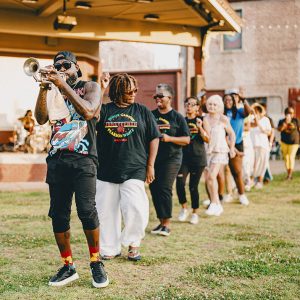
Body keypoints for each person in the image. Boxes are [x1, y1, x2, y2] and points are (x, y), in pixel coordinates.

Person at [34, 51, 108, 288]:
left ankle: (96, 262)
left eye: (66, 65)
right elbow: (40, 119)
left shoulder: (90, 86)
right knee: (58, 215)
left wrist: (61, 83)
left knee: (87, 210)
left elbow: (88, 111)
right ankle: (68, 266)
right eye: (57, 65)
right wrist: (44, 88)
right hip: (57, 159)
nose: (61, 68)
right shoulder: (53, 89)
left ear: (77, 68)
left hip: (84, 157)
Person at [95, 73, 160, 261]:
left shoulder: (142, 111)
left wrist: (150, 165)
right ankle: (109, 248)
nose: (133, 93)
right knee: (105, 211)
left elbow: (154, 138)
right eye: (128, 91)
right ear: (117, 92)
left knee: (136, 207)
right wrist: (102, 89)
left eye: (135, 90)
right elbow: (91, 113)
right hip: (106, 169)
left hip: (135, 168)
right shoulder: (105, 110)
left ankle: (133, 244)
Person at [150, 83, 190, 236]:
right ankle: (161, 222)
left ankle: (167, 224)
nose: (157, 99)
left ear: (170, 98)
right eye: (156, 96)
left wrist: (170, 138)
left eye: (161, 96)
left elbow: (186, 139)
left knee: (165, 188)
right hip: (154, 159)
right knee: (154, 189)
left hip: (172, 159)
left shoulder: (177, 117)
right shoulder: (151, 115)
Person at [176, 97, 208, 224]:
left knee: (193, 187)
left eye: (192, 104)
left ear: (197, 107)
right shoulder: (181, 120)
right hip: (183, 158)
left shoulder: (202, 120)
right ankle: (184, 209)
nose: (189, 106)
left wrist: (200, 128)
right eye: (187, 104)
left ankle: (195, 213)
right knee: (179, 184)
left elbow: (207, 139)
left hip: (198, 158)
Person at [204, 95, 236, 216]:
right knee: (208, 179)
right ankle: (215, 203)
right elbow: (207, 136)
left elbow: (232, 134)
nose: (212, 106)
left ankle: (216, 203)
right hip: (208, 151)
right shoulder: (205, 118)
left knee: (212, 176)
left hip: (220, 151)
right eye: (210, 104)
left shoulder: (223, 119)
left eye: (214, 105)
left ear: (219, 107)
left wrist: (232, 148)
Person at [223, 89, 251, 205]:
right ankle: (227, 194)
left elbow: (248, 112)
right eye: (226, 100)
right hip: (223, 143)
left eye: (230, 100)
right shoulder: (222, 113)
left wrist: (244, 100)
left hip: (237, 143)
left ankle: (241, 194)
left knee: (237, 171)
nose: (228, 102)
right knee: (225, 171)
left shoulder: (239, 111)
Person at [250, 103, 272, 189]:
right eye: (253, 111)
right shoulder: (250, 120)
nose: (255, 113)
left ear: (259, 112)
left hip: (263, 145)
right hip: (252, 145)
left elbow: (269, 132)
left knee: (263, 163)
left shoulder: (265, 120)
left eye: (256, 111)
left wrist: (258, 123)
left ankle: (260, 180)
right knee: (253, 164)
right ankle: (251, 180)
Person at [277, 107, 300, 180]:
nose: (291, 114)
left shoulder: (296, 120)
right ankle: (288, 174)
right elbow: (279, 129)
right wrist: (285, 124)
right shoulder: (281, 121)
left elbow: (298, 129)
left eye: (292, 113)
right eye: (290, 113)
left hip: (294, 142)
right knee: (286, 158)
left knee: (291, 157)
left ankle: (290, 175)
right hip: (284, 142)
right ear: (285, 114)